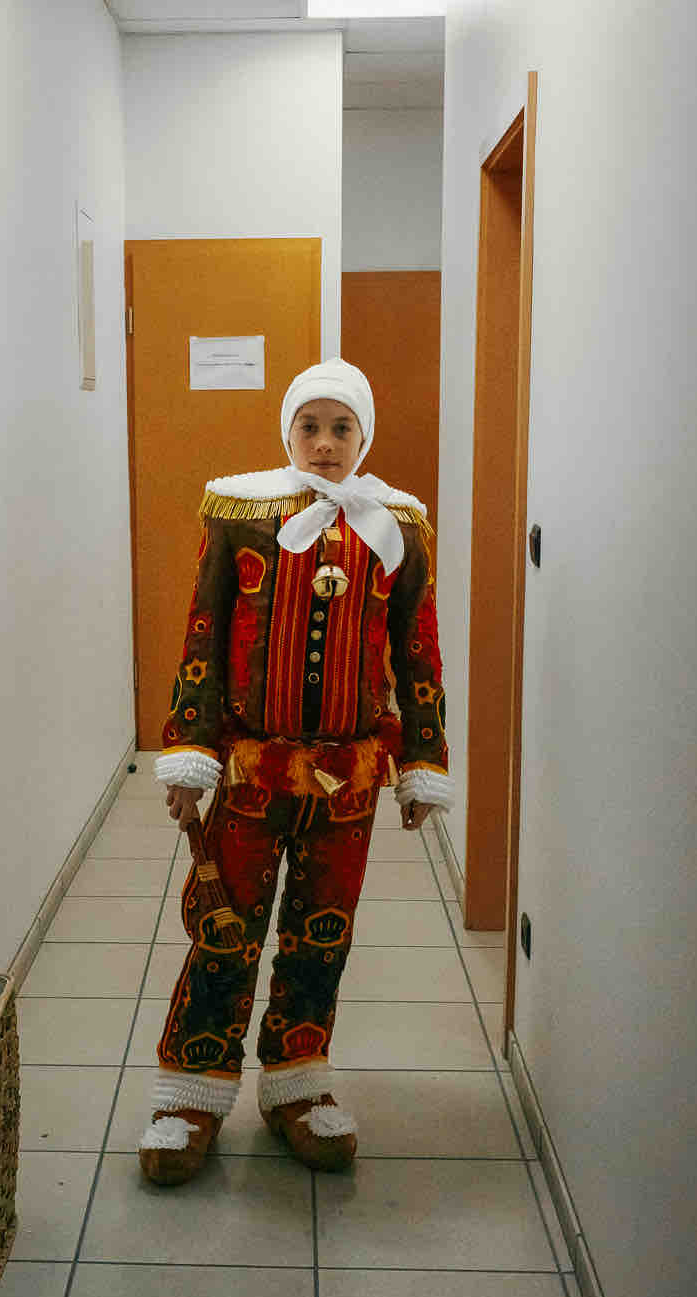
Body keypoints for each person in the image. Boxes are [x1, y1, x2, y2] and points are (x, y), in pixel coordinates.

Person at [138, 357, 453, 1186]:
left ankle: (297, 1083)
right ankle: (191, 1093)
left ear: (363, 437)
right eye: (309, 427)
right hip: (251, 773)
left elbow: (417, 648)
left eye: (341, 428)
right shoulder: (240, 513)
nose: (324, 444)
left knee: (322, 934)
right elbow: (204, 633)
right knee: (224, 929)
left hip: (348, 781)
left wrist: (423, 761)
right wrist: (190, 754)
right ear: (288, 433)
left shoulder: (398, 527)